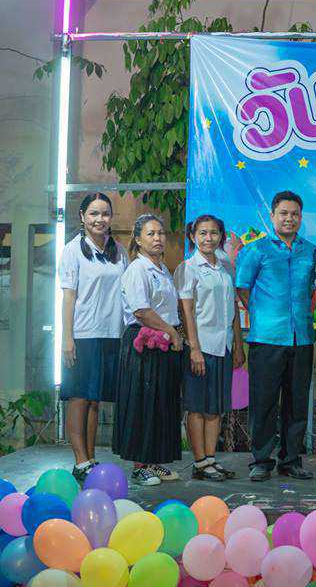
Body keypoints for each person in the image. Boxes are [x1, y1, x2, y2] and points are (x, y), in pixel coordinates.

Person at [236, 191, 316, 482]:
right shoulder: (256, 250)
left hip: (302, 338)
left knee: (297, 403)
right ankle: (261, 460)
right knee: (264, 402)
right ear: (272, 216)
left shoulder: (310, 251)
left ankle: (291, 460)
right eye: (283, 213)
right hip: (267, 338)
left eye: (294, 214)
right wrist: (263, 315)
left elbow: (315, 291)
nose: (289, 219)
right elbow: (242, 288)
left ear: (301, 217)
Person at [60, 193, 129, 483]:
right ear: (82, 217)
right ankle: (80, 460)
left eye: (105, 214)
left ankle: (90, 457)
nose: (100, 219)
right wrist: (67, 338)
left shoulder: (119, 251)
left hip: (112, 334)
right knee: (79, 398)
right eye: (94, 214)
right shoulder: (72, 250)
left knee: (95, 400)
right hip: (83, 335)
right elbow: (69, 297)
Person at [113, 213, 183, 487]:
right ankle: (139, 466)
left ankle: (154, 461)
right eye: (151, 234)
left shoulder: (162, 269)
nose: (157, 238)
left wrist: (171, 333)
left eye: (161, 233)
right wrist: (171, 331)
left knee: (160, 404)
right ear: (138, 239)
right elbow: (141, 311)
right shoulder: (137, 270)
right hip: (143, 343)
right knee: (142, 404)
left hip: (164, 342)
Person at [175, 215, 245, 481]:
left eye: (214, 233)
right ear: (193, 237)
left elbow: (233, 306)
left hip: (223, 345)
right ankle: (199, 462)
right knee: (197, 406)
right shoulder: (188, 268)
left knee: (215, 407)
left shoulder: (225, 265)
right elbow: (186, 312)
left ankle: (211, 459)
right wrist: (194, 348)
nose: (208, 238)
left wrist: (238, 344)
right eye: (203, 233)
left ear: (221, 237)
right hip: (200, 346)